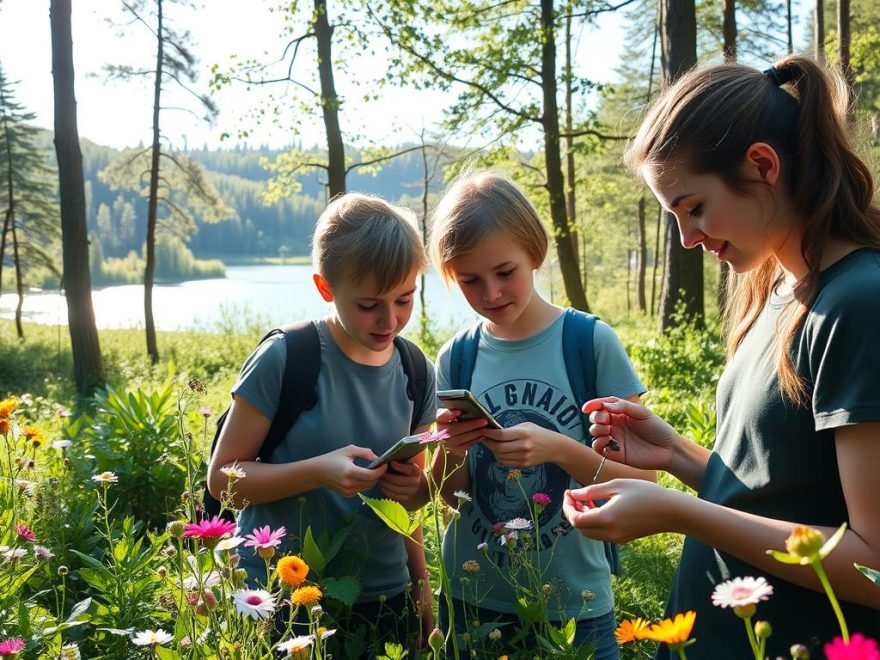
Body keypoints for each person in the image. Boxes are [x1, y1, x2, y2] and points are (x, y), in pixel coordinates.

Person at [562, 55, 880, 659]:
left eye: (694, 207)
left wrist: (684, 514)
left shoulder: (859, 304)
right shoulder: (780, 289)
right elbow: (783, 494)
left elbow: (873, 562)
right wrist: (678, 455)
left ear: (762, 166)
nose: (687, 239)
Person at [429, 171, 655, 659]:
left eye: (505, 272)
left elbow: (646, 480)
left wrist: (558, 449)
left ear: (535, 251)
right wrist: (452, 452)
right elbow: (450, 494)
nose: (490, 293)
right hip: (473, 598)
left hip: (576, 601)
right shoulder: (456, 357)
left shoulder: (589, 344)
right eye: (470, 280)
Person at [207, 192, 437, 650]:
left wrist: (421, 589)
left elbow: (409, 501)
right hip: (281, 598)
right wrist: (319, 471)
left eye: (405, 299)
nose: (389, 319)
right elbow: (222, 480)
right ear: (325, 287)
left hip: (383, 599)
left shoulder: (416, 370)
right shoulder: (287, 358)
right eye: (369, 304)